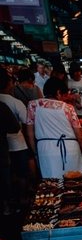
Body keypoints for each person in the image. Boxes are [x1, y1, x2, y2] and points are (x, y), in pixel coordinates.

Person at [26, 77, 82, 179]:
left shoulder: (33, 105)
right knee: (76, 183)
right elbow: (80, 137)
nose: (66, 98)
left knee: (52, 185)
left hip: (45, 150)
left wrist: (36, 153)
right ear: (58, 92)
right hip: (71, 149)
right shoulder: (68, 108)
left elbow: (29, 134)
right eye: (65, 94)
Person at [0, 68, 32, 207]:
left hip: (3, 146)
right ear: (9, 83)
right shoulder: (15, 102)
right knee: (21, 172)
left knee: (6, 174)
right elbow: (24, 124)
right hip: (17, 143)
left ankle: (8, 203)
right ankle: (22, 198)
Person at [0, 101, 21, 215]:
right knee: (4, 178)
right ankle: (6, 207)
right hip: (1, 150)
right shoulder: (2, 106)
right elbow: (14, 127)